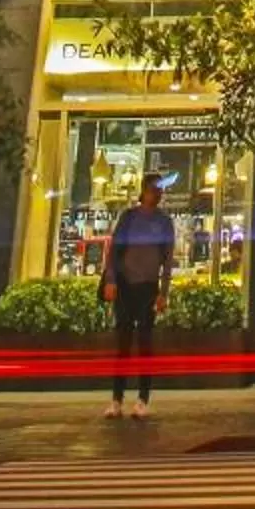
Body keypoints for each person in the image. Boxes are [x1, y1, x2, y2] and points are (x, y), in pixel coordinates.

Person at [101, 175, 174, 419]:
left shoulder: (164, 222)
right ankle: (117, 399)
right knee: (123, 342)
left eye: (160, 190)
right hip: (125, 285)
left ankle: (142, 398)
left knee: (145, 342)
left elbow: (168, 259)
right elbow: (114, 251)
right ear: (144, 191)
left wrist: (163, 292)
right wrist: (111, 280)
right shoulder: (129, 217)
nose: (158, 194)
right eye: (154, 189)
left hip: (148, 287)